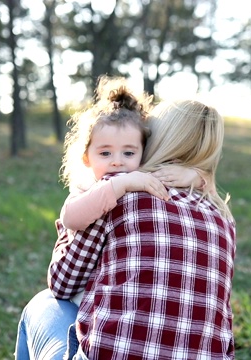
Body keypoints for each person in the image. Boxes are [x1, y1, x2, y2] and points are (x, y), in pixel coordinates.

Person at [15, 98, 235, 360]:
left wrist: (69, 227)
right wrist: (202, 177)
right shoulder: (222, 217)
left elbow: (63, 283)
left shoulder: (119, 192)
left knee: (43, 304)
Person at [57, 76, 205, 306]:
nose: (117, 162)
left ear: (143, 153)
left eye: (128, 153)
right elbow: (70, 217)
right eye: (105, 154)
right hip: (82, 284)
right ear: (86, 157)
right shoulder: (89, 183)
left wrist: (195, 176)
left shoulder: (140, 175)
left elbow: (200, 180)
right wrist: (119, 186)